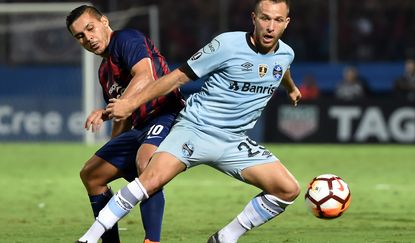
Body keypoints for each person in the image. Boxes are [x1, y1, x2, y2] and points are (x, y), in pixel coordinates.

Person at [75, 1, 301, 242]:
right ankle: (89, 238)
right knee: (148, 179)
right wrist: (130, 105)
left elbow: (281, 66)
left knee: (288, 190)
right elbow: (177, 78)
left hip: (234, 141)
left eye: (277, 20)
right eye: (265, 18)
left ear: (286, 23)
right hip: (195, 128)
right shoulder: (226, 44)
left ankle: (225, 238)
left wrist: (292, 88)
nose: (270, 27)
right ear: (253, 18)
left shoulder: (287, 53)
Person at [66, 5, 184, 243]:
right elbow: (122, 115)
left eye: (90, 28)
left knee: (145, 162)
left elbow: (145, 75)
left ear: (104, 22)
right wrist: (114, 149)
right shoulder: (104, 72)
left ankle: (152, 240)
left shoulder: (125, 39)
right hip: (140, 127)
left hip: (166, 113)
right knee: (91, 174)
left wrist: (116, 106)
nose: (87, 38)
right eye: (80, 35)